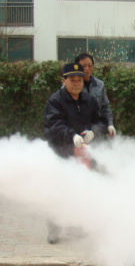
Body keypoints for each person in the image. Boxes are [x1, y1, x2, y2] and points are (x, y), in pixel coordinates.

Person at [43, 62, 100, 243]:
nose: (76, 83)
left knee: (79, 188)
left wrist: (93, 132)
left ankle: (75, 225)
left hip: (81, 154)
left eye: (79, 80)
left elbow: (100, 121)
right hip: (60, 151)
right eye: (72, 80)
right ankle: (54, 229)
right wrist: (71, 135)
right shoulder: (55, 101)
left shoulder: (89, 100)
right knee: (57, 190)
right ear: (64, 81)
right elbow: (55, 124)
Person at [74, 53, 116, 139]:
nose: (87, 69)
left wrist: (110, 124)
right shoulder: (71, 86)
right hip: (77, 128)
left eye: (90, 66)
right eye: (83, 66)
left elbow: (105, 107)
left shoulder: (100, 85)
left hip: (95, 127)